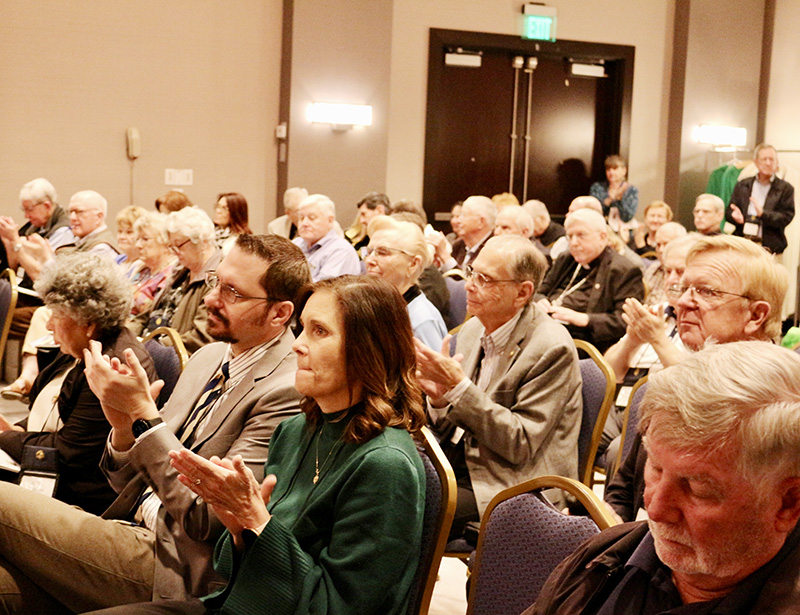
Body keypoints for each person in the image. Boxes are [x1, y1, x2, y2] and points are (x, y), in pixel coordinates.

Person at [0, 234, 310, 613]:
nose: (211, 299)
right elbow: (125, 482)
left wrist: (146, 418)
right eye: (215, 281)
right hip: (128, 526)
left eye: (234, 293)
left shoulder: (287, 390)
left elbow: (208, 521)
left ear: (280, 313)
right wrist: (123, 428)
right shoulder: (209, 357)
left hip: (177, 567)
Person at [87, 275, 428, 615]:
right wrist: (238, 527)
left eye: (319, 331)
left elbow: (337, 607)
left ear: (369, 350)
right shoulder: (296, 430)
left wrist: (256, 521)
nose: (297, 344)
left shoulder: (386, 465)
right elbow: (229, 567)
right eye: (303, 328)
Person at [524, 341, 800, 614]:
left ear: (788, 503)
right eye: (655, 468)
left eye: (697, 487)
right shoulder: (603, 557)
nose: (654, 509)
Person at [604, 234, 788, 522]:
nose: (683, 302)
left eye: (707, 291)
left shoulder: (784, 402)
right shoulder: (673, 383)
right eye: (683, 288)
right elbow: (623, 490)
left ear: (756, 315)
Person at [415, 235, 582, 541]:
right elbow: (453, 414)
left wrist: (459, 390)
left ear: (522, 292)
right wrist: (439, 401)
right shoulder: (473, 327)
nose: (469, 285)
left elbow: (519, 444)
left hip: (516, 479)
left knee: (409, 509)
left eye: (485, 279)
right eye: (471, 273)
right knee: (382, 483)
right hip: (464, 460)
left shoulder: (550, 347)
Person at [0, 252, 156, 514]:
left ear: (89, 323)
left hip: (78, 496)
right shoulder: (81, 348)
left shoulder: (112, 367)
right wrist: (15, 429)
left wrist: (6, 437)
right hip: (49, 469)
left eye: (57, 315)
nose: (48, 325)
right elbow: (50, 411)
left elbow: (68, 453)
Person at [599, 234, 698, 470]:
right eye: (667, 271)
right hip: (619, 404)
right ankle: (566, 501)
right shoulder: (653, 313)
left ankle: (614, 508)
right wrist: (632, 340)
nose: (672, 280)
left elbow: (693, 381)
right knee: (569, 428)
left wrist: (656, 338)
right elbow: (607, 372)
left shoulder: (700, 321)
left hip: (663, 411)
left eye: (680, 272)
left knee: (617, 452)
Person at [536, 208, 645, 352]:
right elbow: (539, 291)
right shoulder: (566, 259)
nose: (574, 242)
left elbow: (625, 321)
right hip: (546, 328)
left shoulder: (624, 270)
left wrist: (585, 319)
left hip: (583, 343)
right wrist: (540, 300)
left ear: (602, 237)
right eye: (570, 236)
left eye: (581, 235)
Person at [138, 207, 221, 353]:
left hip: (171, 357)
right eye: (171, 246)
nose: (174, 252)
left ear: (203, 242)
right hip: (152, 347)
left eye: (179, 245)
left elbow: (202, 336)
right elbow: (148, 315)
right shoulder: (181, 271)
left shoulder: (217, 277)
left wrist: (149, 346)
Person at [365, 216, 447, 349]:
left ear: (413, 264)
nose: (370, 260)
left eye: (382, 252)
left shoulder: (421, 321)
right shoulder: (380, 305)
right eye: (369, 252)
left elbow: (436, 369)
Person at [726, 143, 795, 255]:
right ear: (756, 162)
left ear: (777, 162)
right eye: (764, 159)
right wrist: (735, 217)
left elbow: (787, 217)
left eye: (771, 159)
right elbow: (729, 211)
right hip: (742, 245)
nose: (768, 163)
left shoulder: (785, 188)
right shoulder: (743, 184)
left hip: (770, 248)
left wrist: (763, 214)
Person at [0, 177, 73, 277]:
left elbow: (43, 274)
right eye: (24, 210)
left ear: (47, 206)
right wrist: (8, 241)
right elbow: (14, 268)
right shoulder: (34, 226)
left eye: (29, 209)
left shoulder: (63, 231)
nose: (26, 216)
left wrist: (15, 241)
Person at [292, 193, 360, 281]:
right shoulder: (295, 244)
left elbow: (323, 290)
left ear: (330, 220)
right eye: (301, 218)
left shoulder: (341, 250)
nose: (304, 223)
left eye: (312, 218)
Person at [128, 212, 177, 323]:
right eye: (138, 239)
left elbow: (155, 311)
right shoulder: (139, 267)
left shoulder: (172, 274)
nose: (138, 245)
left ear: (165, 241)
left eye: (145, 239)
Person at [430, 195, 496, 271]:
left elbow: (466, 281)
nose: (457, 221)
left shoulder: (493, 250)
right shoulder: (458, 245)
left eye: (463, 216)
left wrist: (444, 255)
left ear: (481, 222)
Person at [642, 221, 686, 306]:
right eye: (658, 245)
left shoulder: (688, 273)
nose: (661, 250)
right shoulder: (652, 269)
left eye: (667, 244)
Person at [589, 154, 638, 222]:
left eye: (615, 168)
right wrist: (610, 199)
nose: (611, 172)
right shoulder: (597, 187)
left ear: (624, 171)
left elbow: (628, 216)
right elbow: (593, 211)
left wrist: (619, 200)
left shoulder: (631, 190)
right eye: (608, 169)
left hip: (622, 228)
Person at [115, 205, 148, 275]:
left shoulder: (145, 266)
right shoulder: (117, 260)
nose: (122, 237)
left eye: (129, 232)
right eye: (120, 231)